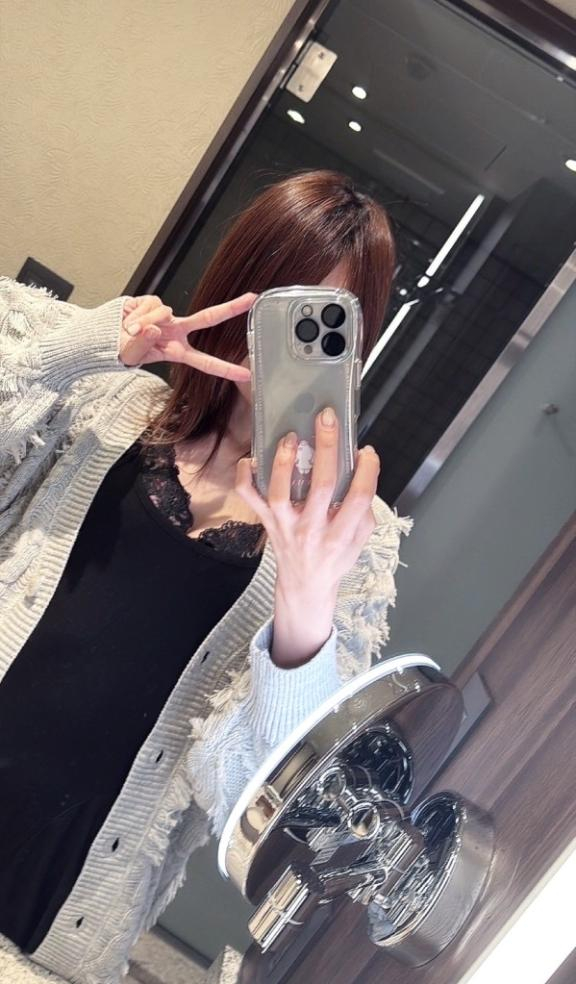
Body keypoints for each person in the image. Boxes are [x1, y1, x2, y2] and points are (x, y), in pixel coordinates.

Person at [0, 170, 413, 983]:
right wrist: (88, 346)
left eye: (318, 325)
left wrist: (305, 602)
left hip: (55, 913)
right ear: (232, 290)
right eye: (271, 307)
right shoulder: (111, 405)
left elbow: (252, 792)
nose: (277, 346)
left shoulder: (350, 543)